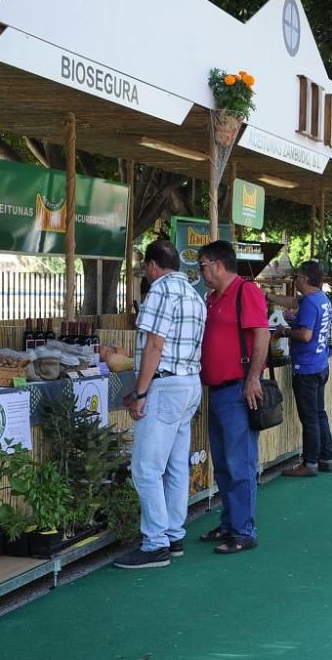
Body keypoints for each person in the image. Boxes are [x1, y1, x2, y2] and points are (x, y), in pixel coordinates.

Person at [116, 240, 206, 569]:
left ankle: (155, 543)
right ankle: (173, 533)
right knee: (176, 465)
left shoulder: (160, 291)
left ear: (154, 265)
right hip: (189, 384)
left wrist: (140, 392)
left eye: (144, 267)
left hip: (165, 386)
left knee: (146, 468)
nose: (144, 273)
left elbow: (155, 344)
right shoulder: (195, 297)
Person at [196, 240, 270, 554]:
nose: (201, 272)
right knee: (224, 464)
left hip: (237, 388)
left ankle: (243, 530)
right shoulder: (212, 298)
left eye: (202, 265)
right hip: (217, 389)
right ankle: (230, 524)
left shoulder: (245, 291)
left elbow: (262, 334)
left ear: (217, 264)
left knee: (239, 463)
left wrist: (253, 378)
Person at [267, 261, 332, 477]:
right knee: (319, 413)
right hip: (320, 364)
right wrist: (270, 297)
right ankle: (326, 457)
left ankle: (310, 462)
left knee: (310, 418)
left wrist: (284, 332)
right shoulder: (321, 299)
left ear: (304, 279)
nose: (295, 280)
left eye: (297, 276)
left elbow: (305, 335)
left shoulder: (309, 304)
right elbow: (294, 302)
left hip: (306, 368)